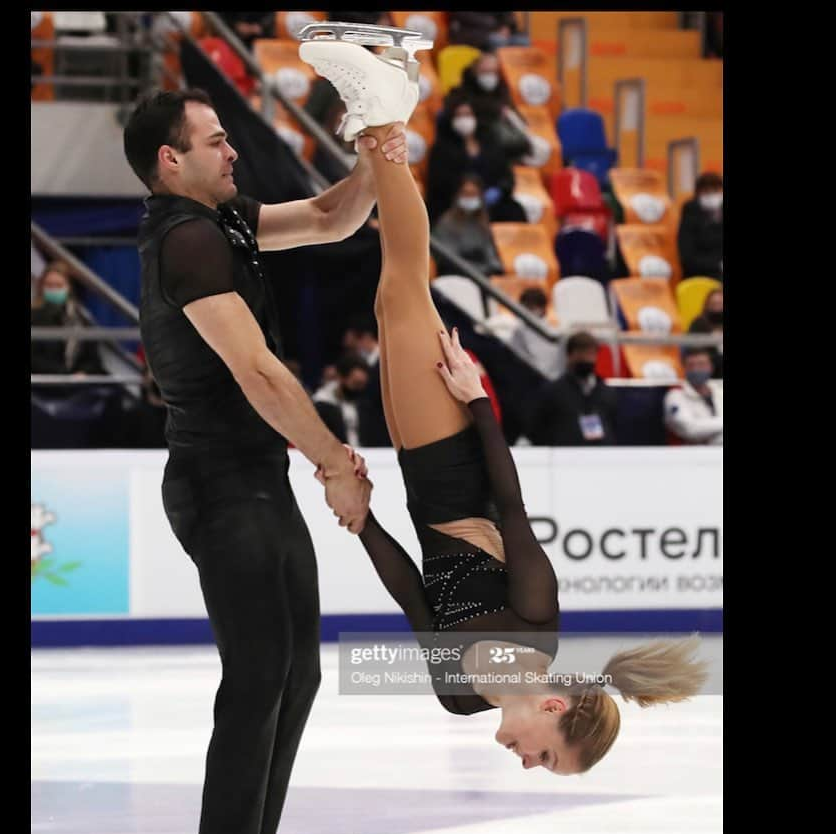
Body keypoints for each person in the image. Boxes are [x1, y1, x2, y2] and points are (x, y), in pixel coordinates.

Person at [299, 34, 708, 772]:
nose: (526, 762)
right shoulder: (536, 625)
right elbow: (511, 510)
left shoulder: (459, 695)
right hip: (454, 454)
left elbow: (411, 598)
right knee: (400, 286)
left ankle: (386, 104)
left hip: (416, 482)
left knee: (396, 289)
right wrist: (478, 399)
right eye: (546, 758)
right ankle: (384, 117)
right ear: (554, 708)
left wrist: (362, 521)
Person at [123, 88, 407, 834]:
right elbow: (257, 371)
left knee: (298, 672)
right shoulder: (187, 239)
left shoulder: (225, 218)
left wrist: (375, 150)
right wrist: (332, 460)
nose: (233, 150)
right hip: (216, 484)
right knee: (256, 680)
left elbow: (329, 217)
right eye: (214, 141)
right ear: (172, 161)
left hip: (254, 481)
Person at [426, 94, 513, 221]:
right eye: (459, 115)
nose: (464, 120)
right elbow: (438, 183)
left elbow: (506, 175)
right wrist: (467, 192)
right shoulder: (441, 148)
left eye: (468, 114)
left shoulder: (490, 144)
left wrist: (498, 190)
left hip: (490, 205)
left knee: (513, 210)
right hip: (452, 203)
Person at [526, 331, 619, 446]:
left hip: (601, 455)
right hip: (564, 457)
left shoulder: (607, 392)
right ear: (570, 356)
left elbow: (615, 427)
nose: (587, 359)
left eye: (591, 354)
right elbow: (537, 429)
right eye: (582, 353)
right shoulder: (553, 392)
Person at [30, 261, 107, 378]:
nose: (53, 290)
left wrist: (82, 373)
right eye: (49, 285)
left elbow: (93, 359)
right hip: (42, 385)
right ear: (42, 287)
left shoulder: (81, 319)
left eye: (58, 285)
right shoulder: (33, 317)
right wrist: (65, 375)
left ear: (69, 287)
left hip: (77, 385)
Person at [433, 173, 505, 277]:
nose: (469, 198)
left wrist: (495, 268)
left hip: (481, 273)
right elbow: (451, 260)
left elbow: (489, 252)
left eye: (473, 194)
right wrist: (481, 270)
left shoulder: (482, 222)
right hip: (455, 274)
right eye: (466, 194)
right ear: (458, 195)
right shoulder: (446, 223)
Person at [664, 349, 723, 445]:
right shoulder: (675, 395)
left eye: (701, 364)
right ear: (684, 368)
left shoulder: (719, 391)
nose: (696, 369)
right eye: (691, 365)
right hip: (688, 454)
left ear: (711, 367)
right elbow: (689, 429)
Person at [311, 352, 371, 445]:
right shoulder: (322, 404)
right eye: (356, 383)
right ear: (341, 378)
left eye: (362, 384)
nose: (360, 389)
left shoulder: (366, 404)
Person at [677, 172, 723, 281]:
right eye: (706, 192)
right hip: (699, 277)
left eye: (715, 191)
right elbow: (687, 259)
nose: (711, 195)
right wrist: (718, 265)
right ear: (698, 194)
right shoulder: (690, 214)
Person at [687, 287, 723, 379]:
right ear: (707, 305)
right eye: (714, 304)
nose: (717, 308)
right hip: (708, 368)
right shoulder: (698, 323)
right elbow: (694, 349)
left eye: (720, 304)